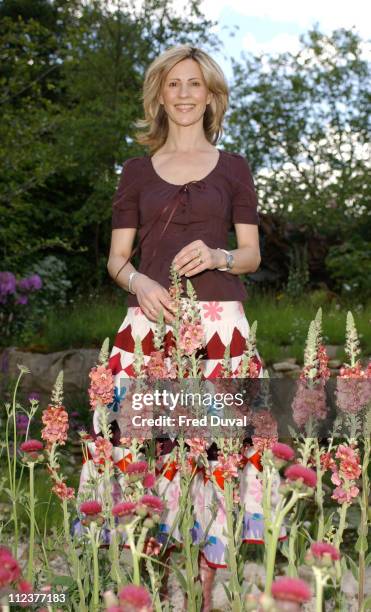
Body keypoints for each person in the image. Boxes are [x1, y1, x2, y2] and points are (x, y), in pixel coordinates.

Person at [76, 44, 279, 611]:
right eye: (174, 84)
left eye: (196, 84)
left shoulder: (234, 167)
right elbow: (117, 259)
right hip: (148, 333)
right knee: (153, 456)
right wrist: (138, 282)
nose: (185, 94)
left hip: (220, 337)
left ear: (211, 96)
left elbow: (251, 254)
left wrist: (217, 255)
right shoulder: (136, 171)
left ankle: (204, 597)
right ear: (159, 95)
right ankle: (163, 590)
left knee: (217, 457)